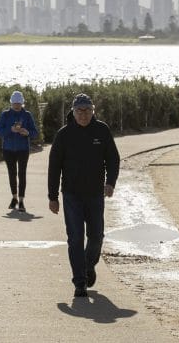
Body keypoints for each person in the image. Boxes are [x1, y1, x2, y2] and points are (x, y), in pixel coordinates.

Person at [47, 93, 120, 297]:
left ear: (93, 111)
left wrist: (110, 183)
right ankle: (80, 282)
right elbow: (54, 167)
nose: (83, 115)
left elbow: (113, 159)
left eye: (87, 110)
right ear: (73, 111)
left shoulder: (102, 131)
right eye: (79, 111)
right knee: (75, 238)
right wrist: (52, 197)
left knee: (96, 236)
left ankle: (89, 265)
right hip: (71, 195)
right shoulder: (64, 135)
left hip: (95, 194)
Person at [0, 91, 39, 212]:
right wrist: (10, 130)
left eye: (19, 104)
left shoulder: (27, 115)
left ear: (22, 103)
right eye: (15, 103)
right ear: (11, 102)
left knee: (22, 174)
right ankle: (14, 198)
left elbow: (35, 132)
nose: (17, 106)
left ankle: (21, 201)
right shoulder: (5, 115)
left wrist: (28, 133)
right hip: (8, 149)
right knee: (12, 173)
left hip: (23, 149)